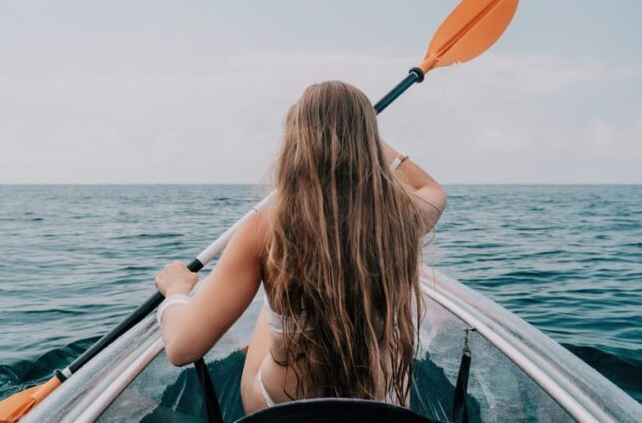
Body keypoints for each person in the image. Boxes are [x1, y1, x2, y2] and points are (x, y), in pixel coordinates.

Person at [154, 81, 446, 414]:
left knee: (275, 305)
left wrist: (176, 293)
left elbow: (181, 348)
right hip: (382, 402)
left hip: (282, 405)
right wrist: (357, 133)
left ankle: (286, 319)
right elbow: (431, 189)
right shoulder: (397, 220)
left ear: (298, 142)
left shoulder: (266, 231)